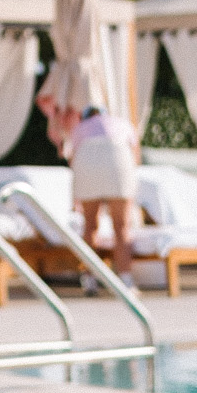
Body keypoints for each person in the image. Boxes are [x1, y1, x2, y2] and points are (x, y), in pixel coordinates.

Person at [66, 105, 139, 288]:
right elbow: (135, 155)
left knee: (90, 225)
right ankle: (126, 280)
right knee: (121, 226)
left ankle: (90, 279)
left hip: (87, 163)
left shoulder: (79, 129)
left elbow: (72, 159)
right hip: (118, 160)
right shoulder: (122, 124)